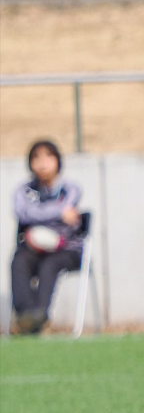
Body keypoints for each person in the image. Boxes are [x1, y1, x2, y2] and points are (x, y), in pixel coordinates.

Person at [10, 140, 84, 335]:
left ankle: (39, 314)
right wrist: (60, 212)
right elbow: (25, 213)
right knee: (19, 261)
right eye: (37, 158)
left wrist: (40, 212)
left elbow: (36, 212)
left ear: (58, 161)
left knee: (49, 265)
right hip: (34, 248)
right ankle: (26, 316)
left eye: (48, 157)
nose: (43, 163)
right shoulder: (24, 190)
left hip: (66, 249)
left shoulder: (70, 188)